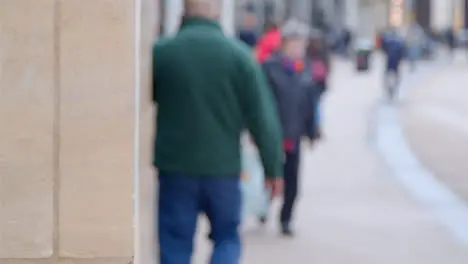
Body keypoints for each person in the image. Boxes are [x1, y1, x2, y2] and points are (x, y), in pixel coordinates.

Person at [152, 0, 284, 263]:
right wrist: (273, 169)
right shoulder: (239, 57)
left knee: (175, 245)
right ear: (217, 11)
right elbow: (263, 119)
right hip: (222, 169)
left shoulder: (162, 53)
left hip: (176, 168)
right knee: (226, 238)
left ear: (184, 11)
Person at [261, 19, 319, 236]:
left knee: (293, 180)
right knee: (269, 174)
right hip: (272, 134)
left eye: (301, 43)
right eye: (294, 43)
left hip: (293, 134)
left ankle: (286, 218)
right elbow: (261, 103)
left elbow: (310, 102)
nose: (298, 48)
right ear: (284, 43)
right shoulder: (269, 67)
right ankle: (262, 207)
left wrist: (312, 130)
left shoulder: (304, 70)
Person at [307, 28, 330, 138]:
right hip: (317, 83)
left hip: (316, 83)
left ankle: (316, 127)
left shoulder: (309, 51)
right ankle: (316, 127)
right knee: (316, 106)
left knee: (316, 106)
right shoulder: (323, 51)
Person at [382, 29, 405, 99]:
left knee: (388, 75)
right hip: (395, 62)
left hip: (390, 61)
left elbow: (384, 48)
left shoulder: (388, 41)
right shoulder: (399, 42)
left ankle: (390, 88)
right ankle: (393, 88)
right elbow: (402, 52)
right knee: (395, 76)